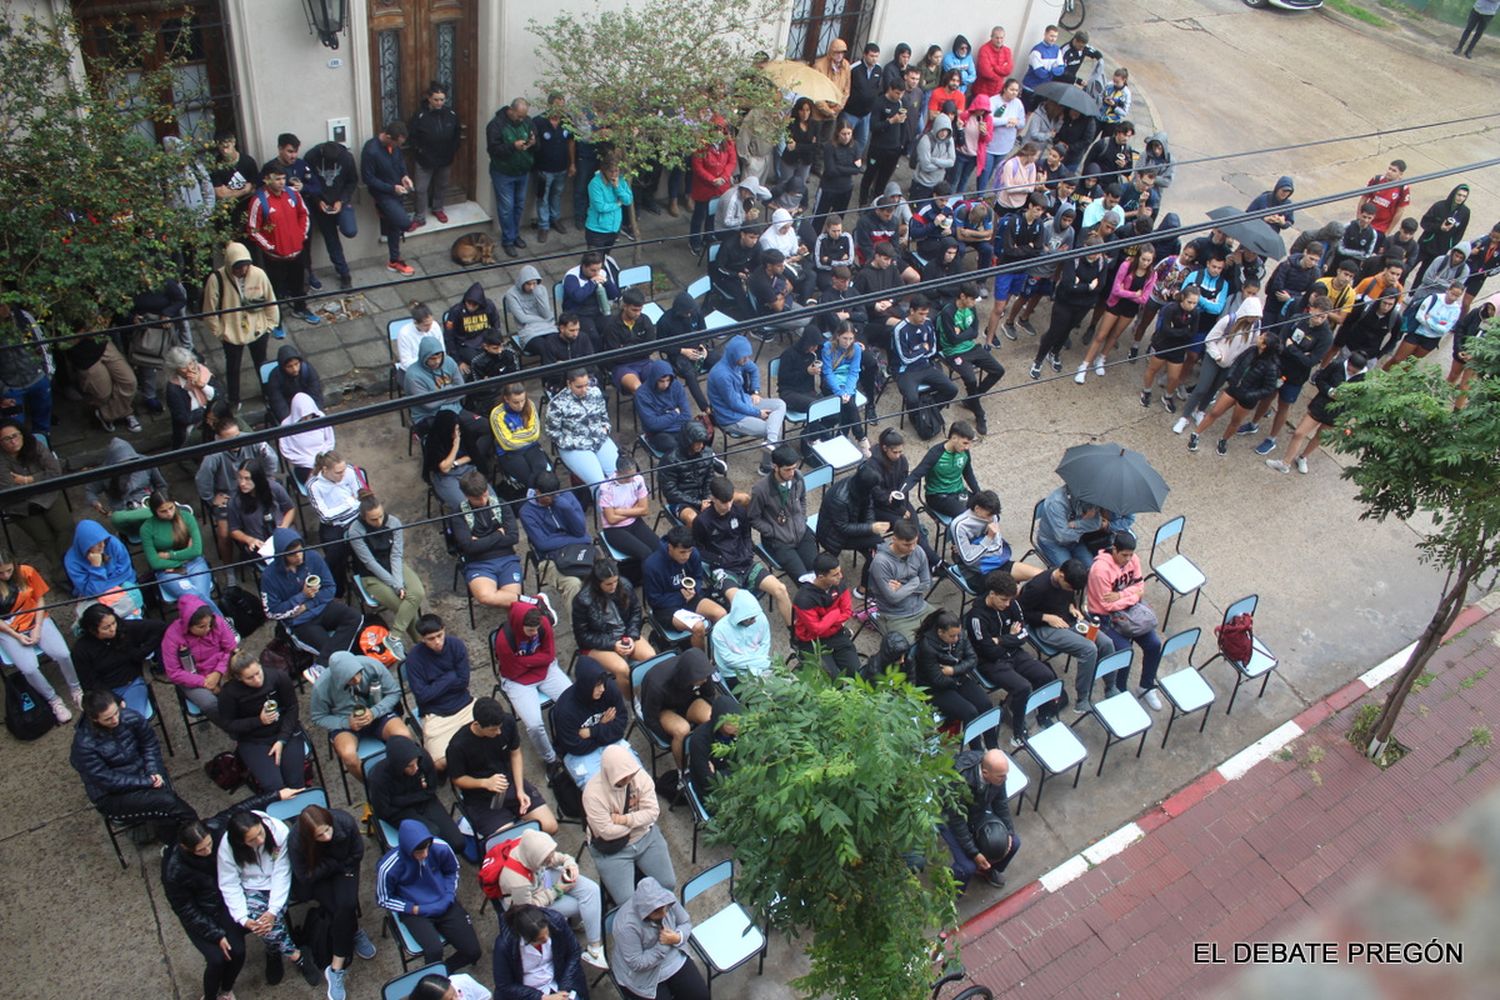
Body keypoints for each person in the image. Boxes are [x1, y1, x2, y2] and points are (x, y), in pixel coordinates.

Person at [162, 789, 301, 1000]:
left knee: (238, 950)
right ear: (185, 848)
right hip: (203, 913)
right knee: (217, 959)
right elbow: (185, 909)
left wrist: (276, 795)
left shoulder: (217, 828)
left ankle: (226, 990)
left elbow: (240, 810)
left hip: (224, 902)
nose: (209, 851)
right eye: (201, 850)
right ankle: (210, 996)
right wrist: (215, 934)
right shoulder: (174, 872)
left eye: (209, 844)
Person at [71, 687, 196, 840]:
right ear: (94, 719)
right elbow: (107, 780)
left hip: (143, 773)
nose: (115, 720)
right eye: (108, 718)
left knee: (166, 802)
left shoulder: (130, 718)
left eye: (116, 712)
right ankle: (192, 835)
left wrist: (152, 770)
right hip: (111, 795)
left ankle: (178, 840)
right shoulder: (84, 745)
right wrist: (146, 781)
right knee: (167, 802)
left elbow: (149, 744)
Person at [217, 808, 322, 987]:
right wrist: (243, 918)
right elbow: (229, 884)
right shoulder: (227, 849)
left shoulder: (278, 831)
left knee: (267, 920)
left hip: (279, 882)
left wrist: (273, 910)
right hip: (251, 887)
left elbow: (282, 871)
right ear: (240, 842)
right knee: (259, 919)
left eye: (260, 833)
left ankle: (273, 949)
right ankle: (296, 956)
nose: (260, 840)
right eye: (252, 840)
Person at [288, 802, 378, 999]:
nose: (326, 837)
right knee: (338, 909)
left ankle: (336, 966)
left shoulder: (344, 822)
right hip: (319, 875)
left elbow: (357, 854)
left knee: (346, 905)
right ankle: (352, 933)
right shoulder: (296, 841)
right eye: (319, 836)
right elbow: (304, 875)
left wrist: (338, 866)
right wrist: (331, 865)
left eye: (327, 830)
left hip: (345, 867)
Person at [966, 570, 1060, 746]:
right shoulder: (976, 618)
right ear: (991, 594)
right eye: (1003, 600)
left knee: (1046, 675)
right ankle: (1018, 731)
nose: (1007, 604)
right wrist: (1011, 638)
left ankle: (1044, 714)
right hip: (992, 663)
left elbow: (1023, 635)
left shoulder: (1013, 605)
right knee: (1022, 687)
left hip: (1015, 654)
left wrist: (1000, 640)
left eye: (1010, 599)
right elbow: (989, 650)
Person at [376, 818, 483, 971]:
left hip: (445, 902)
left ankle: (442, 972)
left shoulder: (440, 847)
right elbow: (384, 898)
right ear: (407, 848)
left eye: (427, 848)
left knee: (473, 952)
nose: (425, 854)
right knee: (434, 951)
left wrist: (448, 895)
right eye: (419, 851)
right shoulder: (388, 867)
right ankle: (432, 983)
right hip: (415, 913)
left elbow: (452, 871)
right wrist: (412, 909)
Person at [446, 698, 558, 840]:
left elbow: (515, 753)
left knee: (550, 826)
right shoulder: (458, 746)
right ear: (478, 724)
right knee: (512, 844)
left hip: (509, 783)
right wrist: (485, 783)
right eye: (493, 729)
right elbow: (458, 779)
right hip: (481, 799)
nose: (499, 732)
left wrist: (520, 790)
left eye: (500, 727)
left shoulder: (507, 722)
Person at [492, 836, 606, 972]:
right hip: (531, 900)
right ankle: (577, 926)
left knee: (591, 890)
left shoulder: (533, 851)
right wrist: (557, 890)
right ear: (537, 859)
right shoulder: (517, 882)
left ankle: (594, 947)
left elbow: (557, 858)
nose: (551, 859)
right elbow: (528, 910)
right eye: (547, 858)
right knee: (579, 905)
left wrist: (570, 864)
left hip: (541, 880)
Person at [583, 745, 676, 906]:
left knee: (667, 884)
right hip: (614, 849)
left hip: (646, 838)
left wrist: (624, 820)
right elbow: (607, 832)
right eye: (623, 777)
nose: (628, 780)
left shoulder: (640, 778)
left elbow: (653, 812)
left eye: (630, 775)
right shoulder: (592, 794)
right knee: (627, 903)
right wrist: (639, 820)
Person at [693, 476, 793, 625]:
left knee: (781, 589)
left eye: (730, 501)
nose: (728, 506)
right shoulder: (702, 522)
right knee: (742, 605)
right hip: (724, 570)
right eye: (723, 502)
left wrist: (748, 550)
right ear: (713, 498)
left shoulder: (739, 512)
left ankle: (795, 634)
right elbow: (697, 550)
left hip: (746, 564)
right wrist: (718, 559)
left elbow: (746, 535)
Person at [1021, 559, 1117, 712]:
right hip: (1046, 628)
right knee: (1089, 649)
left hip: (1070, 620)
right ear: (1061, 575)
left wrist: (1073, 606)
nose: (1070, 589)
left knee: (1106, 643)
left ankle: (1111, 686)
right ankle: (1082, 699)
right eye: (1069, 587)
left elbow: (1070, 597)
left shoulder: (1069, 581)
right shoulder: (1037, 587)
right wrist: (1046, 617)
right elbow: (1021, 612)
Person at [258, 527, 361, 669]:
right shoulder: (269, 577)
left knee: (355, 617)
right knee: (332, 651)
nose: (299, 556)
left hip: (321, 608)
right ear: (282, 555)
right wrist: (302, 596)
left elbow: (330, 587)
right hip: (300, 622)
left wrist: (307, 604)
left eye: (300, 550)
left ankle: (320, 666)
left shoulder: (312, 557)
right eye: (293, 554)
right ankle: (345, 666)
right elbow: (271, 611)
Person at [1086, 532, 1164, 709]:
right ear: (1114, 550)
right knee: (1125, 651)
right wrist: (1134, 596)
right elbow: (1106, 605)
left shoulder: (1133, 559)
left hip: (1130, 611)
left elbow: (1140, 586)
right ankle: (1117, 690)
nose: (1128, 559)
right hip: (1104, 618)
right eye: (1124, 555)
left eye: (1130, 555)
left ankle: (1146, 686)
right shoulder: (1100, 571)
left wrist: (1122, 595)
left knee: (1153, 645)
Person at [110, 491, 220, 616]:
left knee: (197, 598)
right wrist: (184, 556)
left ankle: (215, 629)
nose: (169, 513)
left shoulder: (186, 517)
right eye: (163, 511)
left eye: (171, 508)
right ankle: (224, 628)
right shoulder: (147, 528)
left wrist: (169, 556)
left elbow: (196, 551)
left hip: (192, 564)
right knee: (195, 596)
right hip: (168, 572)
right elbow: (155, 562)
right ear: (154, 511)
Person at [196, 401, 281, 563]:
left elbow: (272, 458)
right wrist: (211, 499)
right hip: (229, 494)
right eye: (229, 439)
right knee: (223, 533)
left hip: (253, 487)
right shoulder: (213, 455)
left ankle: (278, 551)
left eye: (237, 436)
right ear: (220, 438)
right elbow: (202, 479)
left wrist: (269, 476)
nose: (235, 442)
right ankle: (229, 573)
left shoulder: (250, 440)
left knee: (274, 515)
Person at [492, 601, 574, 768]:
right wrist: (536, 660)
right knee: (535, 725)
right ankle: (550, 759)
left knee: (573, 701)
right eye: (530, 630)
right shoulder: (503, 640)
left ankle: (570, 739)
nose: (534, 633)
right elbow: (512, 671)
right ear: (518, 625)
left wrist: (523, 661)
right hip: (517, 681)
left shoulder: (543, 623)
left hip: (546, 670)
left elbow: (549, 656)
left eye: (536, 629)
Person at [1251, 297, 1336, 456]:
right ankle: (1253, 422)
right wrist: (1297, 351)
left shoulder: (1326, 337)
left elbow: (1310, 361)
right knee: (1266, 396)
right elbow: (1281, 342)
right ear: (1311, 309)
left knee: (1284, 406)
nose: (1319, 319)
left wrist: (1293, 349)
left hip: (1296, 377)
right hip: (1278, 367)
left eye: (1323, 317)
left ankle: (1271, 438)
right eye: (1317, 315)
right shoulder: (1297, 319)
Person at [0, 553, 78, 722]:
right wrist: (17, 636)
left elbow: (40, 600)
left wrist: (38, 627)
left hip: (36, 618)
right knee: (29, 668)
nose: (6, 576)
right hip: (8, 629)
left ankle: (76, 689)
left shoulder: (26, 572)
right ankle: (53, 700)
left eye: (8, 570)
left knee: (63, 654)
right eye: (1, 573)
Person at [201, 242, 279, 409]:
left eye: (245, 266)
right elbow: (209, 309)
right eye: (238, 267)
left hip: (258, 329)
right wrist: (219, 332)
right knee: (233, 367)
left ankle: (268, 393)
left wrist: (270, 325)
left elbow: (270, 300)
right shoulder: (216, 279)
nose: (242, 271)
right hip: (232, 332)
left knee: (262, 364)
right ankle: (234, 399)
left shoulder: (258, 274)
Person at [310, 649, 409, 780]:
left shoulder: (372, 665)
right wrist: (346, 722)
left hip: (377, 713)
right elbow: (318, 717)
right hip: (346, 723)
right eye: (350, 679)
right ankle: (371, 785)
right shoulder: (322, 686)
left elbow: (394, 692)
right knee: (348, 756)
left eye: (358, 673)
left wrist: (374, 712)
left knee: (404, 736)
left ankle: (405, 776)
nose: (357, 679)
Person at [217, 650, 307, 792]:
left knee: (295, 783)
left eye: (258, 673)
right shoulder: (229, 693)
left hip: (285, 732)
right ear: (239, 678)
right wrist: (259, 721)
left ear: (260, 665)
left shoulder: (278, 677)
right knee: (274, 787)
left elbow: (292, 708)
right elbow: (228, 724)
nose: (257, 680)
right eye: (249, 678)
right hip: (254, 740)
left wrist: (282, 739)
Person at [1268, 352, 1369, 475]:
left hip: (1338, 412)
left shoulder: (1364, 379)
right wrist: (1330, 391)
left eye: (1354, 371)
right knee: (1299, 432)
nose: (1351, 372)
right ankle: (1285, 462)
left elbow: (1360, 399)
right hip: (1320, 405)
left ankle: (1303, 457)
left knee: (1320, 437)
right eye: (1350, 369)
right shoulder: (1337, 365)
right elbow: (1320, 379)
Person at [450, 470, 537, 613]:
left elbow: (513, 537)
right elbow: (469, 547)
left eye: (485, 494)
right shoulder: (458, 513)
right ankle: (535, 603)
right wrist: (498, 534)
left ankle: (522, 616)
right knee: (486, 596)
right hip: (478, 563)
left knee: (514, 605)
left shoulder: (501, 504)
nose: (483, 501)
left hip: (507, 559)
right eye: (477, 499)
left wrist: (480, 541)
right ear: (466, 496)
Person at [1188, 330, 1283, 457]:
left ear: (1265, 345)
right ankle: (1196, 434)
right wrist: (1231, 377)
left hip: (1247, 398)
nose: (1259, 337)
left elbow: (1268, 389)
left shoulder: (1271, 367)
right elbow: (1237, 361)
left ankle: (1224, 440)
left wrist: (1250, 395)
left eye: (1262, 338)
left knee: (1235, 421)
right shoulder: (1251, 350)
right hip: (1234, 388)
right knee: (1215, 412)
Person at [610, 877, 706, 1000]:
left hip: (673, 957)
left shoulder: (667, 899)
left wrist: (677, 937)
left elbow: (685, 922)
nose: (664, 914)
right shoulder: (626, 926)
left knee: (700, 996)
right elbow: (637, 963)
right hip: (642, 976)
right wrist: (663, 945)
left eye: (665, 908)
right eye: (657, 912)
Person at [346, 494, 425, 645]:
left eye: (381, 516)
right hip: (371, 575)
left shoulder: (393, 522)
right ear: (363, 518)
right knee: (405, 607)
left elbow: (396, 555)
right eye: (373, 519)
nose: (379, 522)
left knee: (417, 593)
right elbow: (369, 562)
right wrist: (396, 585)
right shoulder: (355, 531)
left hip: (394, 565)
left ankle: (394, 635)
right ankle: (422, 643)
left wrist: (398, 582)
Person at [246, 163, 317, 326]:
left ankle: (300, 308)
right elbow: (253, 229)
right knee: (275, 290)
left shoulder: (293, 194)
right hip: (274, 257)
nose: (281, 182)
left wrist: (300, 236)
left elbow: (304, 214)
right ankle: (276, 320)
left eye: (283, 178)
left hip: (296, 252)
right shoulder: (259, 201)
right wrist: (271, 247)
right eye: (277, 179)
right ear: (266, 179)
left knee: (299, 285)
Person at [403, 615, 478, 769]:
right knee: (438, 763)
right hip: (436, 714)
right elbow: (422, 696)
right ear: (422, 639)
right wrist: (450, 677)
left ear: (444, 630)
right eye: (431, 638)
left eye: (439, 636)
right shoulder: (414, 659)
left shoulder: (456, 645)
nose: (437, 642)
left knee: (493, 735)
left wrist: (434, 687)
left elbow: (463, 681)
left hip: (465, 705)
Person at [572, 558, 656, 692]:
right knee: (622, 669)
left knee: (651, 658)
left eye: (615, 581)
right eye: (608, 584)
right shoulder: (583, 600)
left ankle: (650, 695)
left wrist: (632, 635)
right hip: (598, 643)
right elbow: (582, 636)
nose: (613, 586)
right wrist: (611, 644)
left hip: (624, 634)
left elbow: (636, 611)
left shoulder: (624, 585)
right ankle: (633, 703)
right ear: (597, 583)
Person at [1031, 236, 1109, 378]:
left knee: (1067, 331)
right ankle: (1038, 359)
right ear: (1085, 247)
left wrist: (1079, 285)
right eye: (1093, 251)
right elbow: (1067, 285)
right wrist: (1089, 286)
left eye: (1099, 252)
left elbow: (1101, 286)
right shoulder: (1073, 258)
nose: (1096, 255)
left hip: (1083, 306)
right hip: (1064, 302)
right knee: (1054, 331)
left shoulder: (1102, 263)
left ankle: (1054, 353)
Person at [707, 335, 788, 472]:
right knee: (772, 428)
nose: (747, 360)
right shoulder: (722, 375)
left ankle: (771, 442)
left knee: (779, 404)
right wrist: (758, 413)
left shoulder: (739, 362)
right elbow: (733, 404)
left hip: (746, 401)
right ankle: (766, 467)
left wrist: (754, 391)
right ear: (734, 355)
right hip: (731, 417)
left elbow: (754, 369)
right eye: (744, 357)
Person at [941, 749, 1019, 890]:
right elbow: (957, 822)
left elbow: (1000, 803)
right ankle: (949, 894)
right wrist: (974, 853)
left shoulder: (997, 775)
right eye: (1001, 776)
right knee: (967, 867)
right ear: (985, 774)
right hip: (951, 818)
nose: (1005, 779)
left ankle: (987, 869)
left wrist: (1009, 832)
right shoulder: (958, 781)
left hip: (977, 809)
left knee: (1014, 844)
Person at [0, 422, 71, 573]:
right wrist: (41, 479)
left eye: (15, 436)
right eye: (6, 439)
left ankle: (71, 563)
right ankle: (61, 572)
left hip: (48, 494)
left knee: (66, 528)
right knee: (45, 540)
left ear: (21, 434)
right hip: (20, 505)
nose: (13, 441)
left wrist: (27, 480)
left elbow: (55, 470)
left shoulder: (35, 445)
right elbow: (10, 489)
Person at [73, 602, 165, 718]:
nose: (113, 629)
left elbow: (160, 627)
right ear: (92, 630)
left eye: (113, 623)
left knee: (130, 720)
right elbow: (89, 684)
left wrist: (140, 653)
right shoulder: (81, 650)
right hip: (103, 693)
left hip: (132, 684)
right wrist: (114, 699)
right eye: (106, 628)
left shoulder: (124, 629)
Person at [642, 525, 728, 647]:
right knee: (698, 627)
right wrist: (681, 597)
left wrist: (695, 589)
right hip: (666, 608)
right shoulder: (652, 565)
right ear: (670, 547)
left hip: (690, 598)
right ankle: (700, 663)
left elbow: (698, 578)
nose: (686, 556)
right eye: (682, 552)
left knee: (721, 614)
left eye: (689, 551)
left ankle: (719, 658)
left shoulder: (693, 554)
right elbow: (654, 600)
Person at [1080, 245, 1157, 382]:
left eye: (1149, 260)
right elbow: (1116, 290)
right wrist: (1134, 294)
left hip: (1130, 309)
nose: (1145, 263)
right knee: (1101, 335)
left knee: (1115, 335)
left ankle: (1101, 358)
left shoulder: (1152, 274)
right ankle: (1085, 364)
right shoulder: (1126, 266)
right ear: (1138, 257)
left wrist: (1126, 293)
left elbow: (1144, 298)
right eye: (1143, 259)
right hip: (1115, 304)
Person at [518, 471, 591, 608]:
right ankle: (579, 627)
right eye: (548, 496)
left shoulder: (566, 498)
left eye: (555, 495)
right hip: (550, 558)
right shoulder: (527, 512)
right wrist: (577, 539)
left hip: (578, 550)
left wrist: (566, 508)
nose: (552, 499)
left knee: (602, 575)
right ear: (537, 492)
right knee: (573, 584)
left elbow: (580, 530)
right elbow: (543, 544)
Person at [161, 595, 236, 728]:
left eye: (209, 624)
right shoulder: (172, 636)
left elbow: (230, 648)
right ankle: (233, 729)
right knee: (209, 704)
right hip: (192, 678)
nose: (207, 629)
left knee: (245, 684)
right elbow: (174, 672)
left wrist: (218, 672)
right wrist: (204, 682)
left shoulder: (217, 622)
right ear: (188, 626)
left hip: (221, 668)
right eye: (201, 627)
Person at [639, 647, 717, 773]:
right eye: (701, 678)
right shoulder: (656, 685)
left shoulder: (703, 673)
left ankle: (711, 759)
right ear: (689, 676)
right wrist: (670, 739)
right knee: (682, 730)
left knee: (712, 717)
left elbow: (709, 695)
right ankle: (683, 771)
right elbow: (650, 718)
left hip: (687, 702)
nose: (705, 680)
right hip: (663, 710)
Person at [493, 903, 596, 998]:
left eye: (548, 934)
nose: (547, 939)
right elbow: (504, 985)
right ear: (526, 938)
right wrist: (541, 997)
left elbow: (574, 952)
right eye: (540, 940)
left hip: (559, 979)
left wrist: (564, 987)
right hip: (528, 993)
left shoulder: (556, 922)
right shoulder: (504, 946)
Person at [891, 295, 959, 440]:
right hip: (906, 372)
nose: (924, 317)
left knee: (952, 389)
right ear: (911, 311)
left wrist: (919, 351)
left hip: (925, 366)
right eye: (921, 314)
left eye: (926, 314)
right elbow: (905, 358)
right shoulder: (900, 329)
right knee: (912, 399)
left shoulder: (928, 324)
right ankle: (917, 418)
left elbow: (933, 349)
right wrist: (922, 349)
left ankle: (929, 411)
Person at [749, 444, 819, 582]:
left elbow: (803, 498)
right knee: (804, 580)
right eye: (787, 470)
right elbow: (753, 518)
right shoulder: (760, 489)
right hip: (779, 542)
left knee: (818, 572)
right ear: (775, 467)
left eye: (794, 468)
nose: (792, 473)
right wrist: (772, 531)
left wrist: (801, 518)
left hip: (801, 533)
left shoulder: (798, 477)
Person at [912, 609, 991, 730]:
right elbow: (937, 679)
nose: (956, 639)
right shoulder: (927, 647)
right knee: (970, 712)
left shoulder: (961, 635)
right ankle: (976, 748)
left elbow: (973, 659)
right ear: (940, 632)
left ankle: (992, 745)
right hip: (935, 689)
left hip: (956, 678)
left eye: (958, 634)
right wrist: (957, 677)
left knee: (986, 704)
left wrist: (953, 671)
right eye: (952, 636)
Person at [545, 369, 617, 496]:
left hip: (599, 439)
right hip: (575, 447)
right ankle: (606, 515)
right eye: (579, 387)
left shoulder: (595, 392)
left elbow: (604, 417)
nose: (584, 389)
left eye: (586, 385)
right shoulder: (557, 403)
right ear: (569, 384)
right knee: (600, 486)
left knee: (621, 477)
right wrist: (573, 443)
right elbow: (552, 432)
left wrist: (605, 429)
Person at [790, 554, 861, 678]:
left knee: (856, 673)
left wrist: (825, 621)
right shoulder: (803, 599)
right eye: (835, 575)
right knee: (831, 678)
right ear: (821, 577)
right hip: (811, 642)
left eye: (840, 572)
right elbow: (816, 629)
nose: (841, 576)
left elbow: (847, 612)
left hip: (836, 634)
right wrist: (835, 613)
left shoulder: (840, 584)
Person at [303, 139, 360, 290]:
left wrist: (342, 200)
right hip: (321, 205)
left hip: (340, 201)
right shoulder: (311, 157)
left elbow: (352, 181)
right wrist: (317, 201)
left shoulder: (346, 158)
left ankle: (344, 272)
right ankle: (344, 274)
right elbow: (307, 183)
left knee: (350, 230)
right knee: (331, 240)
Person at [361, 122, 416, 275]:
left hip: (397, 190)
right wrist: (392, 188)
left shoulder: (394, 146)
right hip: (383, 194)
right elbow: (368, 179)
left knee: (394, 227)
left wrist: (404, 176)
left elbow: (399, 162)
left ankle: (394, 261)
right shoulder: (371, 150)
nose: (397, 146)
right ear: (388, 137)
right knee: (404, 223)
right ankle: (383, 211)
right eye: (396, 143)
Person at [1137, 284, 1200, 411]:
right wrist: (1183, 331)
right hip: (1162, 344)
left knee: (1174, 377)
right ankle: (1146, 390)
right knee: (1152, 370)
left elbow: (1192, 332)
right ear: (1182, 298)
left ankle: (1168, 396)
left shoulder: (1195, 313)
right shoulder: (1170, 309)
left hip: (1178, 349)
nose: (1192, 306)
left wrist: (1177, 331)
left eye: (1195, 303)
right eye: (1189, 302)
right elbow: (1166, 330)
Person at [869, 520, 934, 643]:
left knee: (947, 630)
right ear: (894, 539)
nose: (912, 548)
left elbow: (927, 583)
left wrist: (903, 588)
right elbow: (893, 598)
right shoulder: (881, 563)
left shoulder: (918, 551)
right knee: (914, 648)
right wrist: (914, 582)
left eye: (915, 542)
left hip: (921, 607)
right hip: (895, 615)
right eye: (907, 544)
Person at [408, 81, 461, 227]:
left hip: (445, 158)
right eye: (436, 99)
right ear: (429, 99)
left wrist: (452, 149)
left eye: (442, 100)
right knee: (420, 189)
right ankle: (419, 216)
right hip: (424, 159)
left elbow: (457, 134)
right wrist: (420, 151)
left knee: (441, 185)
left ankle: (438, 208)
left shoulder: (451, 114)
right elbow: (412, 137)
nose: (439, 103)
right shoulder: (419, 115)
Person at [903, 420, 979, 518]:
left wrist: (979, 495)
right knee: (966, 517)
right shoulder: (935, 454)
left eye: (969, 443)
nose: (967, 447)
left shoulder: (964, 452)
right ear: (954, 438)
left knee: (987, 508)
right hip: (938, 497)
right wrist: (900, 492)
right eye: (965, 443)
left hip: (959, 492)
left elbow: (968, 474)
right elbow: (916, 475)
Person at [1384, 281, 1465, 370]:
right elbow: (1420, 316)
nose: (1453, 297)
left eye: (1456, 296)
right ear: (1448, 290)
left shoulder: (1456, 309)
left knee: (1409, 365)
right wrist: (1436, 325)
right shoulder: (1434, 298)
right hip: (1417, 333)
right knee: (1397, 359)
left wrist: (1429, 321)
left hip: (1431, 340)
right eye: (1452, 293)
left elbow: (1444, 330)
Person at [226, 461, 296, 561]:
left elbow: (290, 508)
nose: (242, 483)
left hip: (282, 534)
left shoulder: (274, 488)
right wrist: (249, 540)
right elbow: (234, 530)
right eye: (240, 478)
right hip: (260, 544)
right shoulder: (234, 501)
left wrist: (284, 526)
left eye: (247, 479)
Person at [160, 347, 221, 450]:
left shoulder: (203, 371)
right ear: (176, 369)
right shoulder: (174, 388)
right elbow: (184, 418)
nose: (190, 369)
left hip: (214, 418)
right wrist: (207, 410)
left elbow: (219, 395)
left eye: (191, 363)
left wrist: (202, 386)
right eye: (184, 367)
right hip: (194, 426)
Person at [686, 694, 740, 807]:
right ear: (718, 721)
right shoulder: (700, 739)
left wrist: (717, 773)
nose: (737, 725)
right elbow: (707, 781)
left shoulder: (741, 734)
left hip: (736, 785)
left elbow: (747, 765)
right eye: (731, 722)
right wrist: (736, 771)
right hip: (710, 794)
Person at [443, 283, 503, 375]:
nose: (470, 307)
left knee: (501, 357)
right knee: (480, 362)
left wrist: (496, 341)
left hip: (484, 341)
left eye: (474, 304)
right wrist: (458, 361)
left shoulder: (489, 306)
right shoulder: (456, 312)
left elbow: (496, 324)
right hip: (464, 345)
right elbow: (448, 337)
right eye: (468, 303)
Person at [277, 391, 334, 484]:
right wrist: (309, 462)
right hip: (304, 466)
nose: (307, 420)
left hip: (324, 459)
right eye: (303, 417)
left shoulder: (320, 417)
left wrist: (322, 457)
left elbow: (330, 440)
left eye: (309, 416)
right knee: (319, 482)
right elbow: (286, 451)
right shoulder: (286, 426)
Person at [585, 155, 634, 250]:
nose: (614, 174)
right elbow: (601, 207)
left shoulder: (620, 180)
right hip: (597, 230)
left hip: (613, 228)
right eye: (611, 171)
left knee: (606, 257)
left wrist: (617, 187)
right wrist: (618, 204)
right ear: (604, 170)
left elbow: (628, 200)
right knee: (594, 261)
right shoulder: (595, 184)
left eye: (617, 171)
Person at [504, 265, 558, 353]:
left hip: (548, 328)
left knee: (557, 344)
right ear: (522, 282)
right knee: (544, 347)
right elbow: (522, 318)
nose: (532, 287)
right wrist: (543, 319)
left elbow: (546, 314)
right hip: (528, 331)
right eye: (528, 284)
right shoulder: (511, 294)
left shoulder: (541, 290)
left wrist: (539, 296)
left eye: (534, 283)